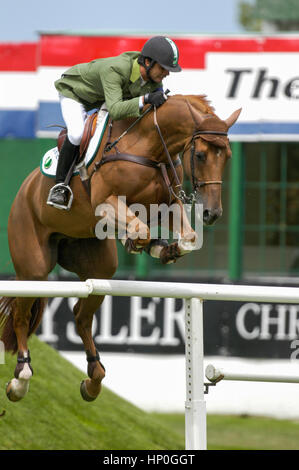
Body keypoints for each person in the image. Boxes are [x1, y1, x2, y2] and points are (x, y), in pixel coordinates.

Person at [47, 35, 182, 209]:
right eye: (163, 68)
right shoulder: (116, 69)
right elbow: (116, 110)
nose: (167, 73)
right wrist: (146, 98)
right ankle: (60, 186)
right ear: (147, 62)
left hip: (102, 98)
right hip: (75, 93)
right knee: (77, 133)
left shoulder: (154, 81)